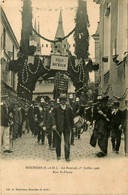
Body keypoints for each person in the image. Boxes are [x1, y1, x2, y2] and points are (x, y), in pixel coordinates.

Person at [52, 94, 75, 161]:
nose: (63, 102)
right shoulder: (56, 108)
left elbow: (71, 118)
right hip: (58, 127)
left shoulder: (69, 108)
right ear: (60, 101)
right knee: (58, 142)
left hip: (67, 128)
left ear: (66, 101)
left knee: (67, 142)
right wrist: (54, 124)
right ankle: (58, 155)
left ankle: (67, 157)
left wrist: (73, 127)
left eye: (64, 100)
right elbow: (53, 117)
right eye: (61, 100)